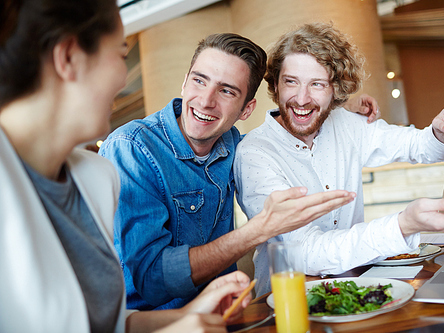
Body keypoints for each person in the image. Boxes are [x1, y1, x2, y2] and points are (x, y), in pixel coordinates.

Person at [0, 0, 257, 332]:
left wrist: (183, 316)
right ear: (69, 58)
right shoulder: (127, 148)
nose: (125, 79)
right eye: (122, 55)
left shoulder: (94, 177)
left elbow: (101, 323)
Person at [98, 31, 381, 310]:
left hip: (230, 316)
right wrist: (257, 231)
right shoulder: (132, 148)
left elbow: (281, 135)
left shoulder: (234, 145)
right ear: (184, 83)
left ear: (246, 109)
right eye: (199, 80)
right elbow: (152, 280)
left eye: (226, 91)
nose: (206, 101)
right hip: (158, 325)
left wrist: (334, 106)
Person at [233, 22, 444, 297]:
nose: (301, 99)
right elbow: (304, 252)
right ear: (275, 84)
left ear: (335, 90)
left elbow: (416, 145)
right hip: (286, 305)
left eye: (317, 84)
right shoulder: (254, 153)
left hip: (355, 288)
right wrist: (401, 225)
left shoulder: (346, 123)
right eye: (291, 82)